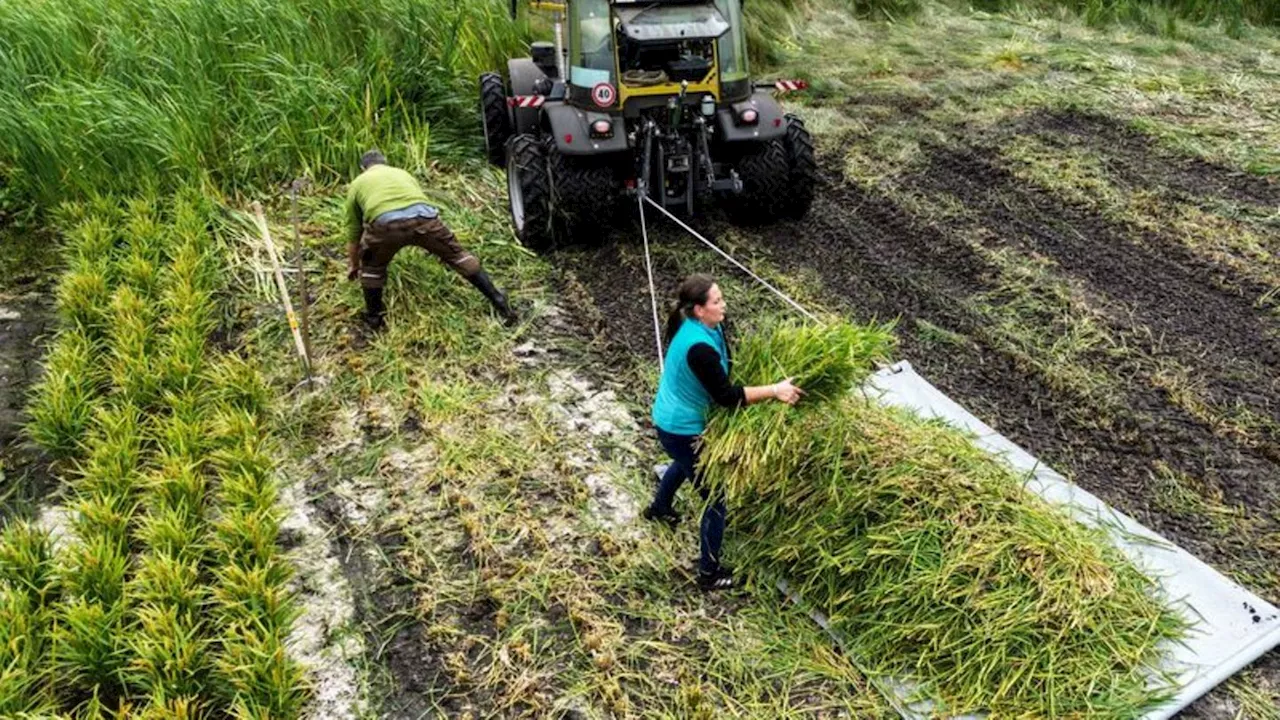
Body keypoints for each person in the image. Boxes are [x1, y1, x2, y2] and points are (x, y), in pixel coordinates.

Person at [644, 273, 803, 591]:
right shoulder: (697, 346)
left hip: (676, 422)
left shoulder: (703, 326)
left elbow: (723, 368)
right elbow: (727, 398)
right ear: (699, 309)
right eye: (717, 301)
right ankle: (709, 573)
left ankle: (659, 509)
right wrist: (774, 390)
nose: (724, 305)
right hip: (679, 427)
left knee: (685, 462)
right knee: (715, 498)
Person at [345, 150, 517, 329]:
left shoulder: (358, 183)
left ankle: (374, 319)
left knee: (373, 269)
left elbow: (353, 230)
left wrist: (354, 264)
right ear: (385, 162)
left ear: (363, 168)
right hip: (425, 219)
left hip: (386, 224)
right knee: (458, 256)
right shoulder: (402, 173)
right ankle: (499, 300)